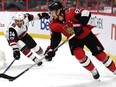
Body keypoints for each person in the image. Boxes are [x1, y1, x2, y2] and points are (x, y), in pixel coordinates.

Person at [44, 1, 116, 80]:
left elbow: (86, 12)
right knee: (78, 54)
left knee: (100, 55)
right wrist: (52, 49)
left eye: (52, 12)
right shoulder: (53, 24)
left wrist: (80, 24)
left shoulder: (70, 12)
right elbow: (55, 38)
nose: (51, 14)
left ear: (59, 10)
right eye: (50, 12)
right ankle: (92, 70)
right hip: (73, 38)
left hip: (86, 34)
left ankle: (114, 69)